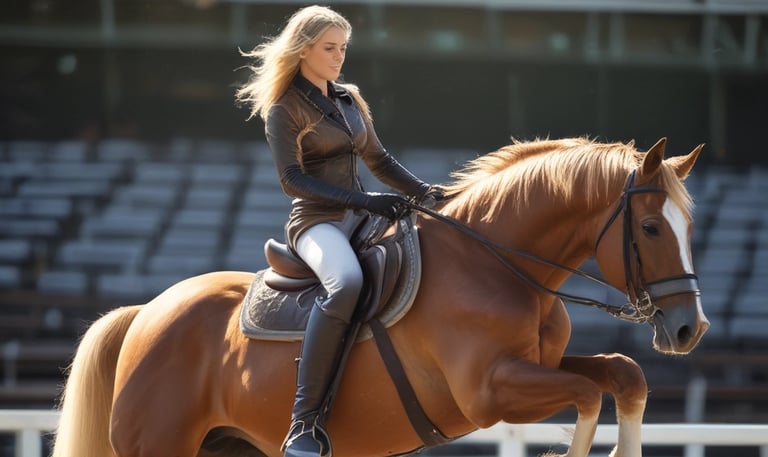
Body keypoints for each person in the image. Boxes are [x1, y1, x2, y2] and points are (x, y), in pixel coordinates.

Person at [236, 5, 443, 457]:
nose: (339, 57)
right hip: (316, 222)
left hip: (361, 217)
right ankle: (304, 423)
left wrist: (428, 193)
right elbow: (291, 179)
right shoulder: (285, 108)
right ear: (304, 49)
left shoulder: (348, 99)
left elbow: (381, 162)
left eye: (343, 48)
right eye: (329, 48)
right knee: (346, 283)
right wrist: (365, 202)